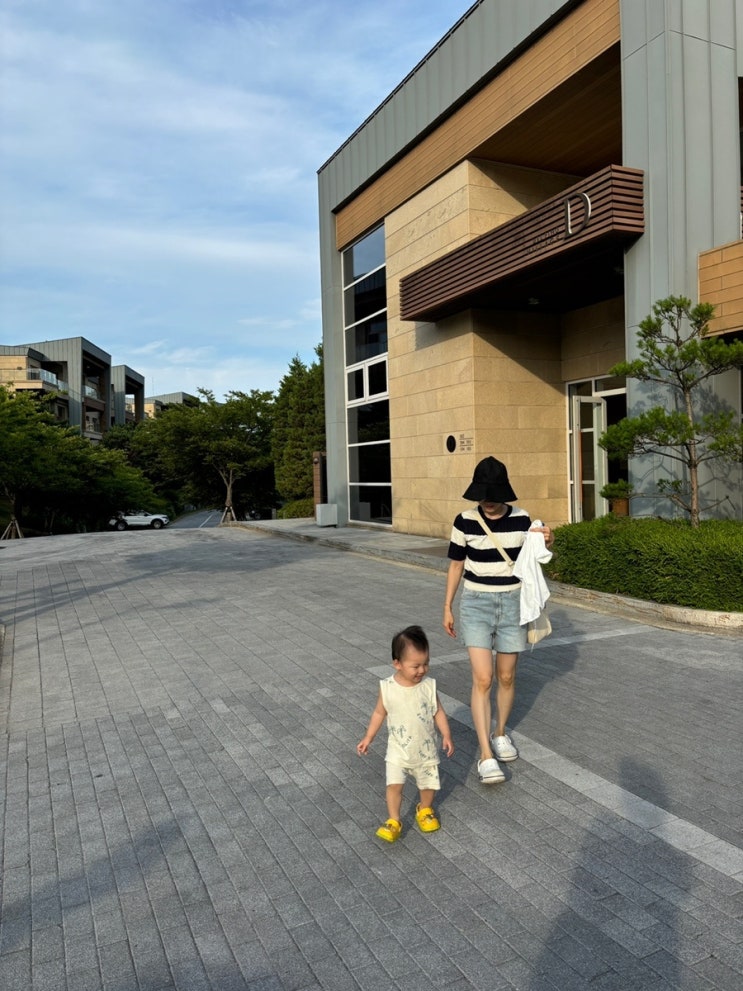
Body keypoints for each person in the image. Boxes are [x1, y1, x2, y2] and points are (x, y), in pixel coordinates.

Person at [443, 457, 553, 785]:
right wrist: (447, 606)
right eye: (482, 495)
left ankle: (500, 733)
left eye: (493, 495)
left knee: (506, 676)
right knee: (483, 678)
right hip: (475, 603)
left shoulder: (522, 519)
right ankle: (485, 755)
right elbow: (456, 565)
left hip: (513, 603)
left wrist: (547, 540)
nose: (487, 501)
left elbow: (536, 556)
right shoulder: (464, 521)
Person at [357, 625, 454, 843]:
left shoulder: (428, 686)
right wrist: (368, 738)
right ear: (397, 664)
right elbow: (379, 713)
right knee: (394, 786)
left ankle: (425, 808)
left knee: (428, 785)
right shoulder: (387, 687)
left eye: (426, 663)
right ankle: (393, 820)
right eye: (415, 666)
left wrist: (446, 735)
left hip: (425, 750)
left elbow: (438, 711)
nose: (422, 670)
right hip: (398, 751)